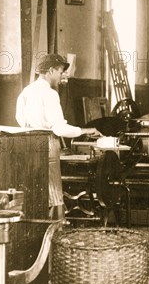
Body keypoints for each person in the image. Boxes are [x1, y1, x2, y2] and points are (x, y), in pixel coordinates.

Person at [15, 53, 101, 219]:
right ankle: (54, 231)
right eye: (61, 72)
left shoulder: (26, 91)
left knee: (33, 191)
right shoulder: (50, 94)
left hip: (27, 144)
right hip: (46, 147)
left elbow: (20, 119)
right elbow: (60, 129)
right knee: (52, 193)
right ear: (51, 70)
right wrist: (85, 131)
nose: (62, 76)